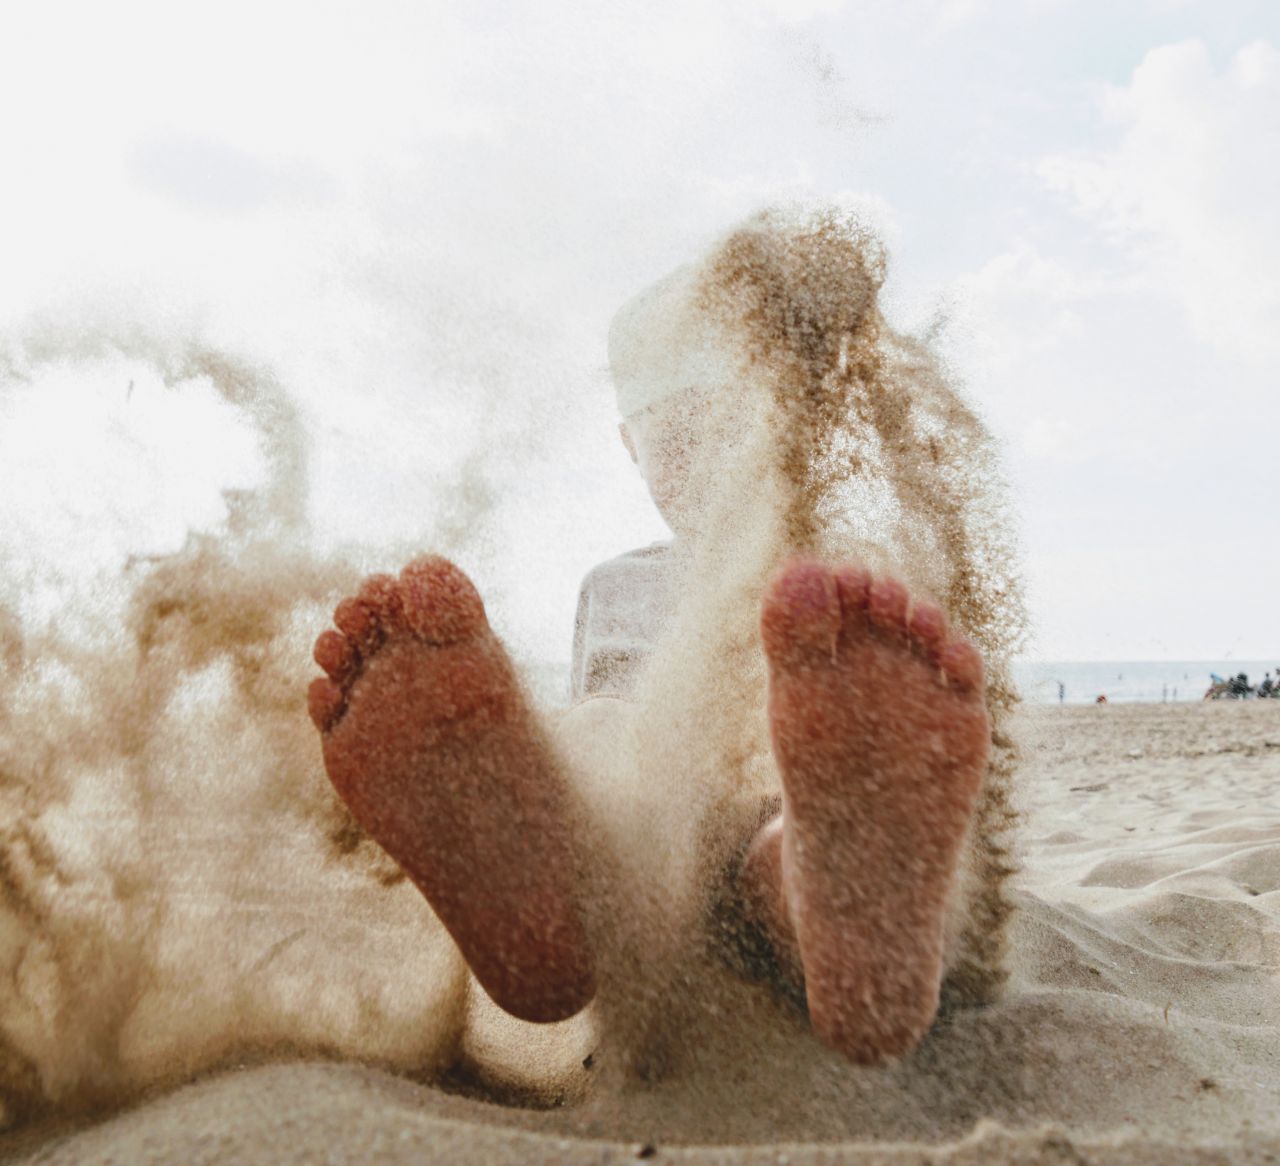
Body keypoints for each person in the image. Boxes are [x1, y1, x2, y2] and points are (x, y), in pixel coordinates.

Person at [307, 215, 994, 1068]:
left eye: (716, 428)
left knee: (657, 768)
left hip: (681, 847)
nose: (701, 458)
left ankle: (815, 904)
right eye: (676, 436)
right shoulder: (839, 591)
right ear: (630, 450)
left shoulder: (829, 592)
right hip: (659, 837)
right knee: (638, 764)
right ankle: (570, 890)